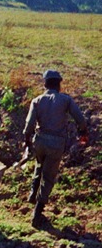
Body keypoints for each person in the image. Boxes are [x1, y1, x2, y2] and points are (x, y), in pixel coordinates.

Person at [23, 69, 88, 228]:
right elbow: (80, 120)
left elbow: (29, 125)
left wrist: (27, 142)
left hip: (39, 140)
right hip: (56, 143)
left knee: (39, 164)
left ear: (45, 84)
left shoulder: (37, 100)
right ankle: (37, 215)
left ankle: (33, 193)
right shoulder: (66, 100)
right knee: (49, 177)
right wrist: (83, 132)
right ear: (59, 84)